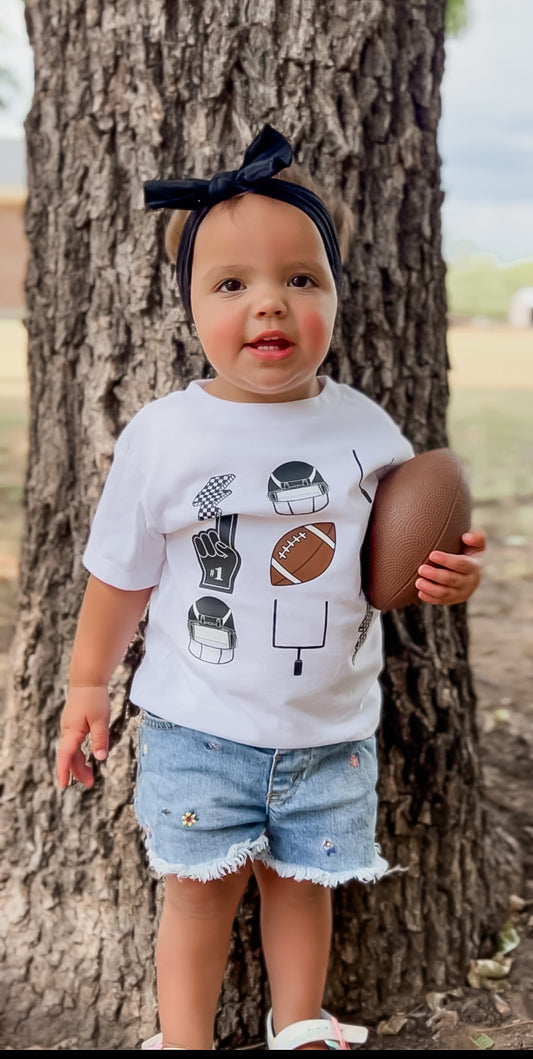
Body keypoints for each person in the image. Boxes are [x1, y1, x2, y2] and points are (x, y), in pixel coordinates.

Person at [56, 126, 485, 1051]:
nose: (271, 305)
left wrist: (444, 576)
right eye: (231, 284)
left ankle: (298, 1023)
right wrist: (86, 683)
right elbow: (119, 573)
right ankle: (184, 1039)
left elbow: (397, 554)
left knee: (305, 884)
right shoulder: (166, 437)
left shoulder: (364, 428)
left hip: (328, 729)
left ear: (333, 296)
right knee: (199, 894)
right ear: (190, 309)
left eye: (301, 279)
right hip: (198, 723)